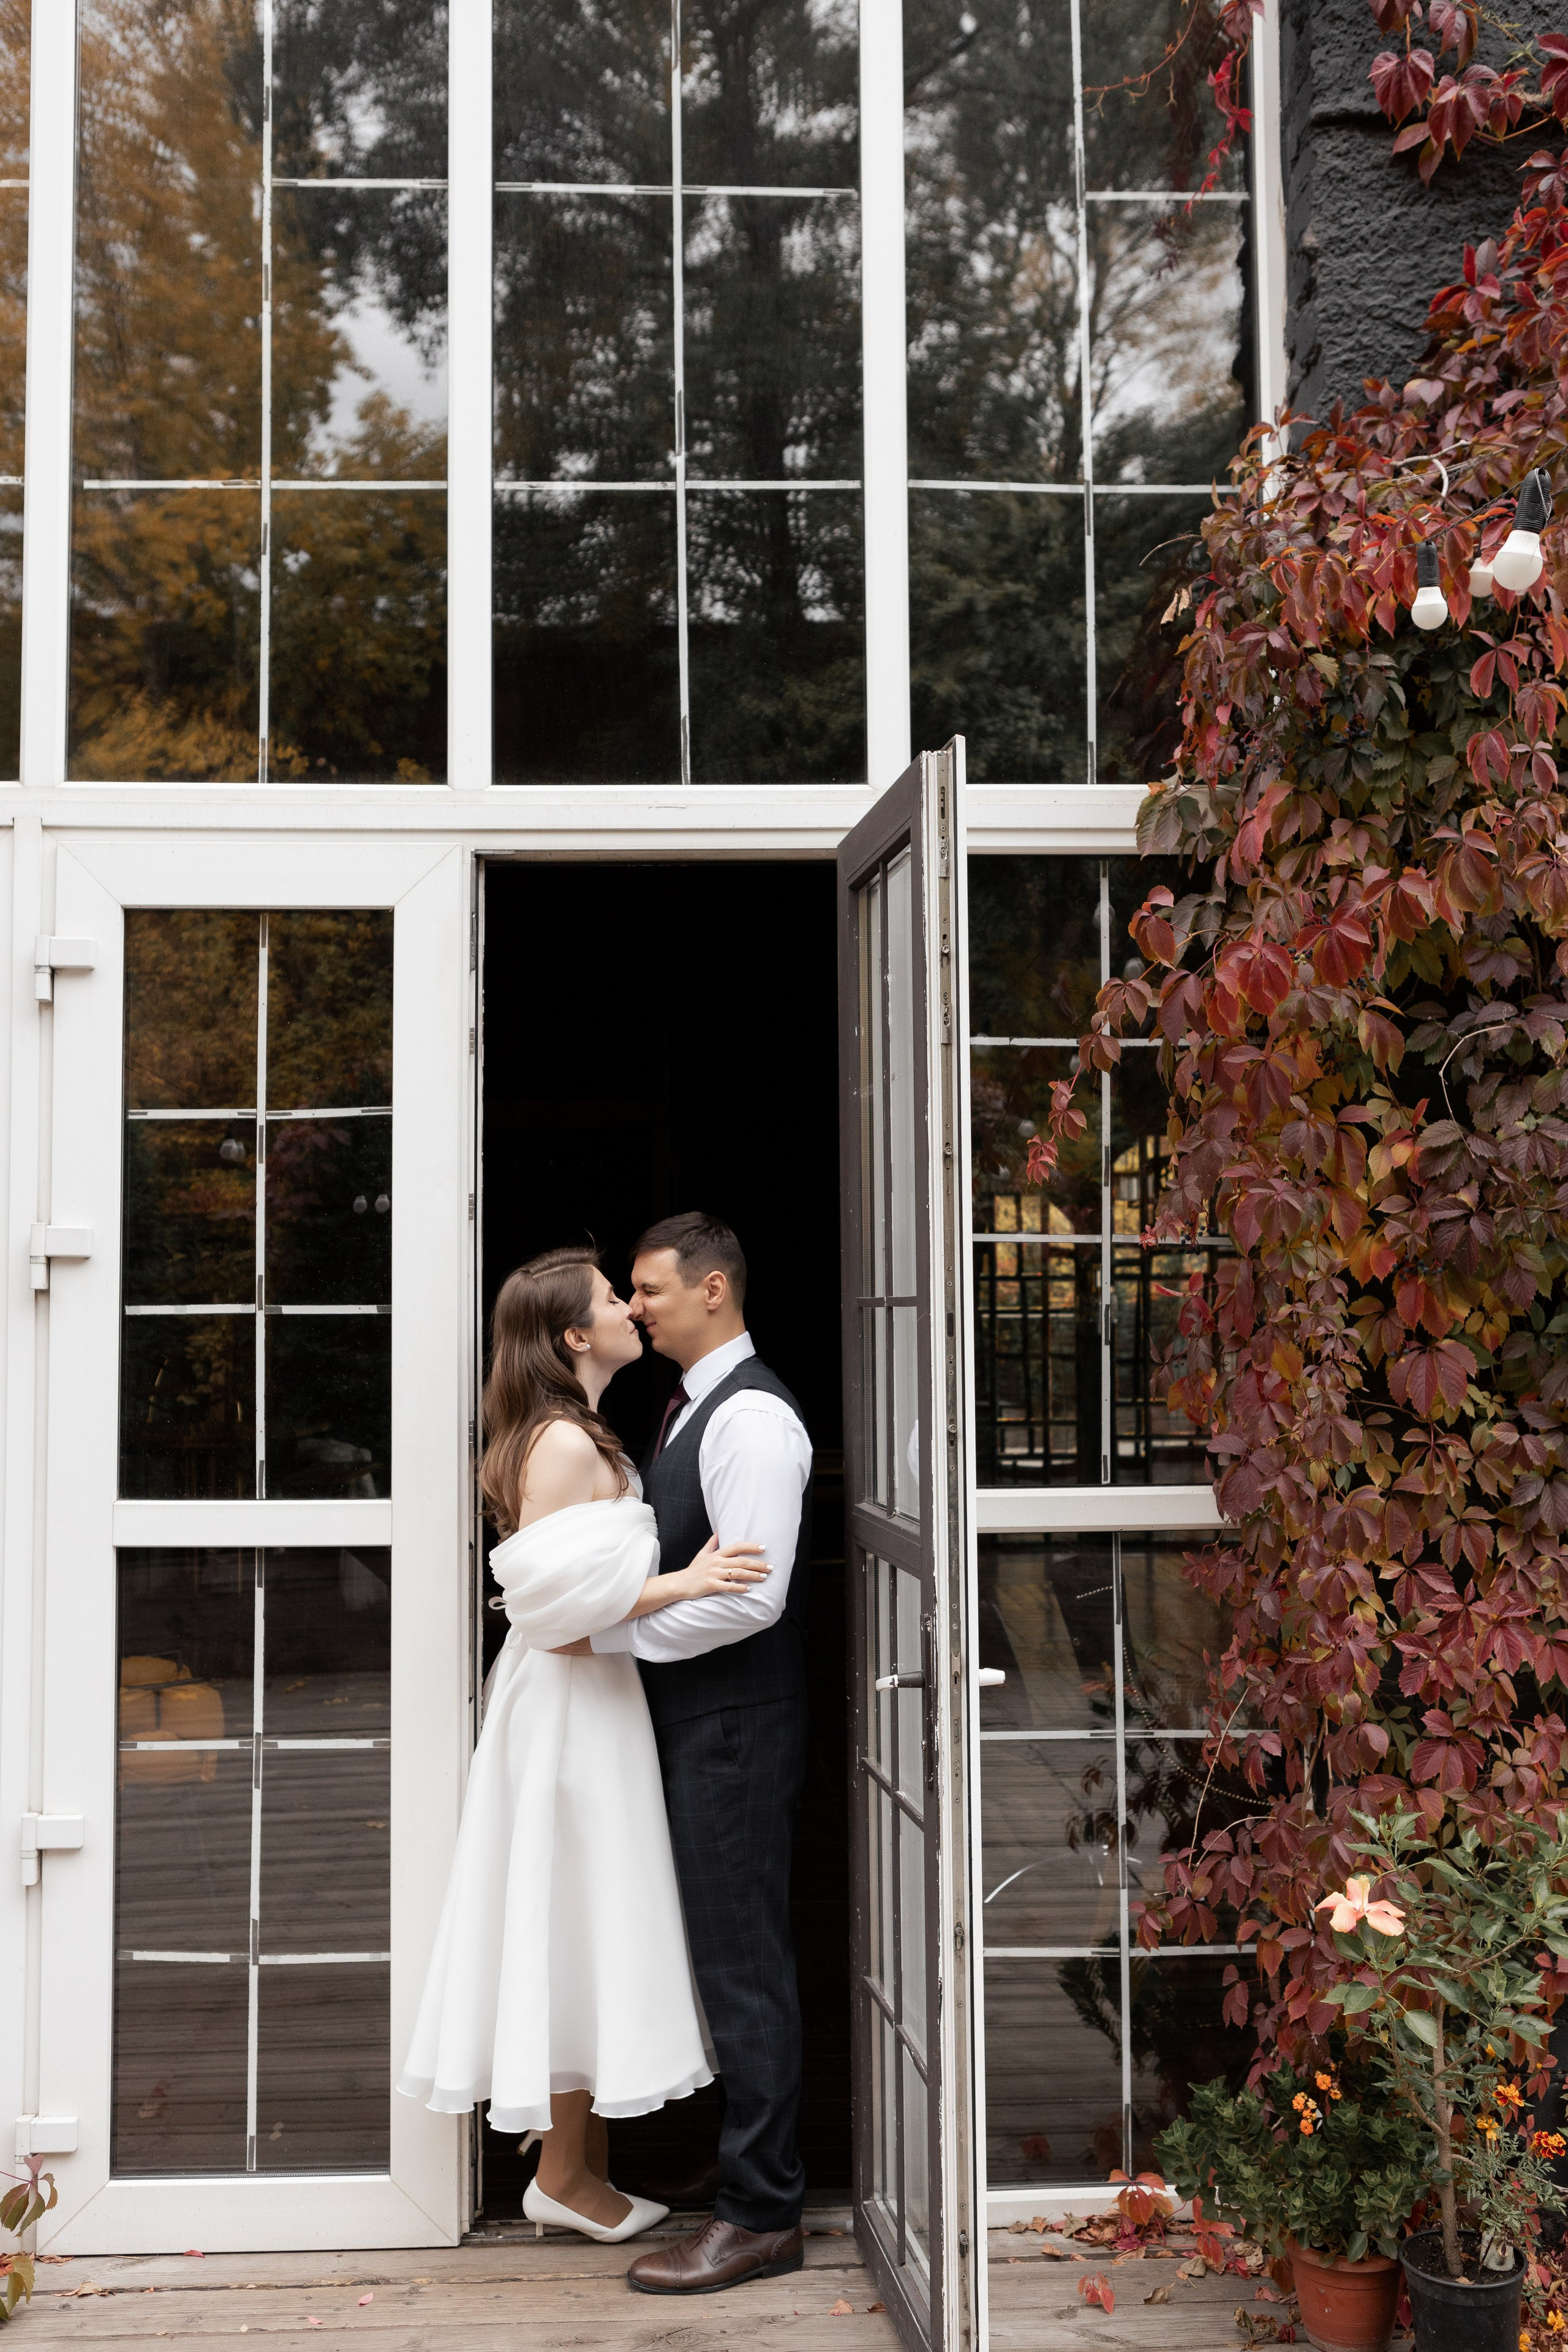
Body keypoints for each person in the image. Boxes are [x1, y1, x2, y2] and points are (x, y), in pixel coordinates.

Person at [396, 1246, 771, 2244]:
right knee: (570, 1920)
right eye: (614, 1298)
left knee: (582, 1922)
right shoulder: (561, 1443)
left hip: (592, 1702)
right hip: (565, 1711)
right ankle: (562, 2176)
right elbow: (550, 1611)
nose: (630, 1309)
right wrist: (682, 1582)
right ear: (573, 1334)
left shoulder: (579, 1430)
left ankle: (574, 2171)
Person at [585, 1212, 815, 2296]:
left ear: (713, 1289)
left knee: (743, 1965)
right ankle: (738, 2170)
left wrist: (613, 1637)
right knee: (716, 1958)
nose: (634, 1307)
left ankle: (762, 2214)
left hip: (732, 1725)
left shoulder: (751, 1419)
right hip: (700, 1720)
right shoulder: (690, 1405)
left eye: (650, 1289)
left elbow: (753, 1599)